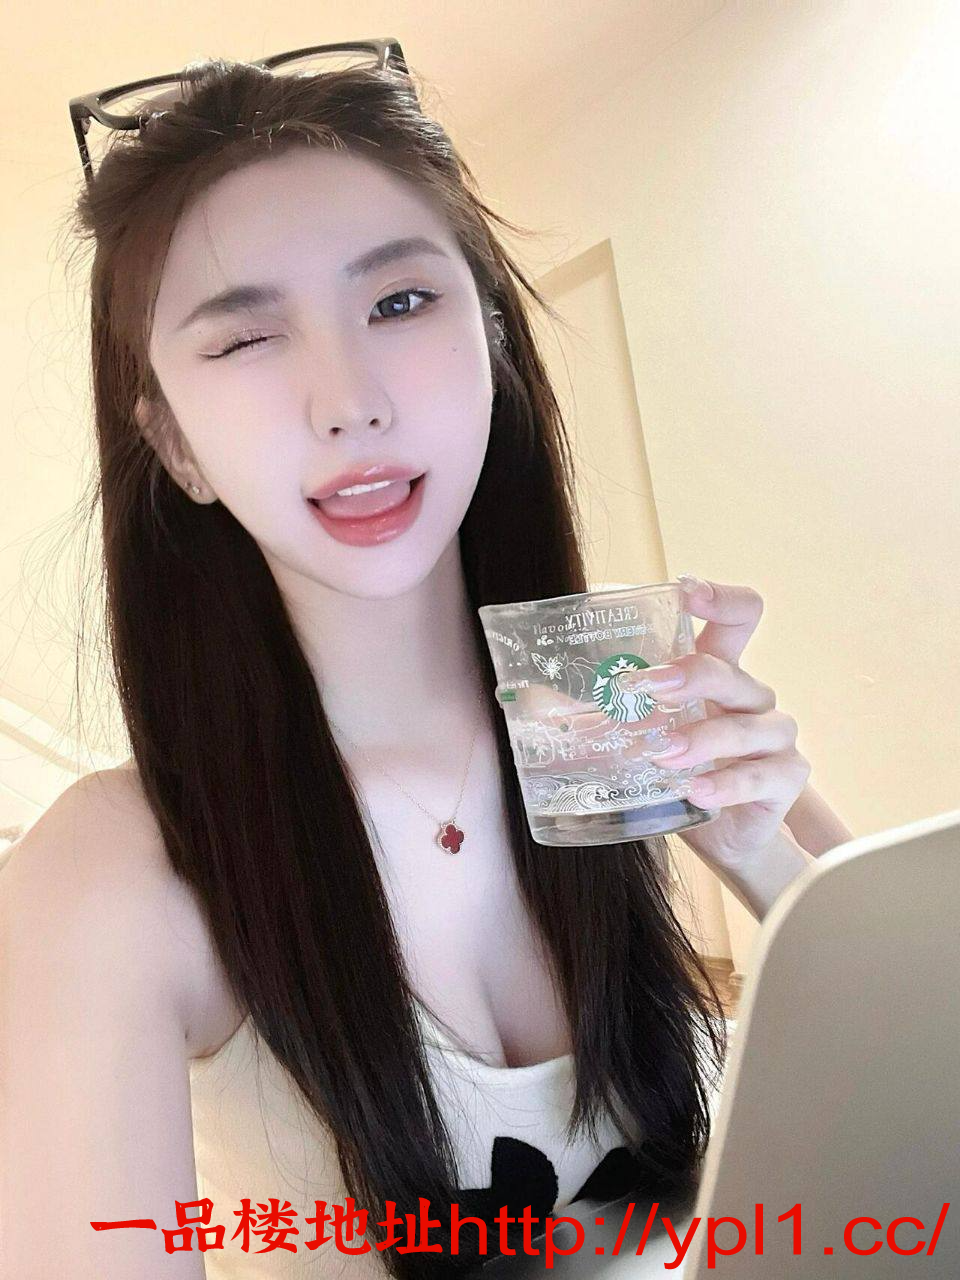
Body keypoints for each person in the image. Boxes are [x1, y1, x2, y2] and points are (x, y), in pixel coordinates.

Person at [0, 53, 851, 1280]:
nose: (348, 402)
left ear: (492, 340)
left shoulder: (612, 709)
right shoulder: (108, 873)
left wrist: (771, 859)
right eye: (245, 338)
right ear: (174, 444)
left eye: (399, 302)